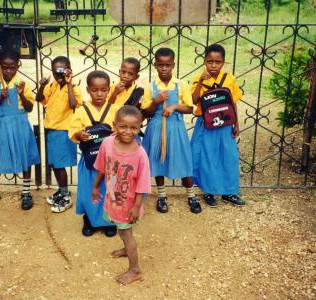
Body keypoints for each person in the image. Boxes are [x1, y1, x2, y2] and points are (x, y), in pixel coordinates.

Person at [92, 105, 151, 285]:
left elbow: (142, 185)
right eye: (123, 126)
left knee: (127, 233)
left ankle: (135, 270)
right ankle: (126, 250)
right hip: (113, 199)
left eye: (134, 128)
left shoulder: (140, 155)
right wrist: (95, 187)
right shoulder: (107, 143)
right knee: (120, 228)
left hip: (129, 204)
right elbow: (102, 167)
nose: (128, 131)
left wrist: (136, 206)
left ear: (139, 127)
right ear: (114, 126)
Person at [141, 47, 202, 214]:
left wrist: (174, 106)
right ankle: (162, 195)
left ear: (173, 65)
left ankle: (191, 195)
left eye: (167, 65)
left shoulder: (181, 85)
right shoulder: (151, 86)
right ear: (155, 65)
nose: (164, 69)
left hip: (175, 129)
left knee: (182, 159)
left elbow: (190, 108)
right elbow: (146, 113)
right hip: (156, 128)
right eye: (160, 65)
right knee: (158, 161)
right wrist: (156, 101)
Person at [0, 49, 40, 210]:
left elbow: (29, 108)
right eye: (4, 67)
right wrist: (1, 96)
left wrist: (21, 94)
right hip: (1, 125)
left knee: (25, 157)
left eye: (12, 67)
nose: (8, 71)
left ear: (18, 66)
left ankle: (26, 192)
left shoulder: (22, 83)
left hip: (19, 125)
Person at [190, 43, 245, 207]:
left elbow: (232, 102)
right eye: (209, 61)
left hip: (225, 125)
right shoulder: (198, 78)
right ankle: (208, 191)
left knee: (229, 157)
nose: (213, 65)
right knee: (207, 157)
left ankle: (229, 192)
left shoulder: (229, 79)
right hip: (206, 126)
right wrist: (200, 81)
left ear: (223, 62)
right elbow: (193, 100)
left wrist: (236, 124)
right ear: (204, 61)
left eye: (218, 62)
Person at [68, 70, 118, 237]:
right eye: (95, 90)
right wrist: (79, 135)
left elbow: (123, 128)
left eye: (103, 90)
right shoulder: (82, 111)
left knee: (110, 189)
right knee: (89, 189)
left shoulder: (114, 109)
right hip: (90, 161)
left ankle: (109, 220)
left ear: (108, 90)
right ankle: (89, 218)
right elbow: (73, 131)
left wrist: (117, 133)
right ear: (88, 90)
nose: (99, 94)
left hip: (111, 160)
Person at [36, 56, 83, 213]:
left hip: (64, 131)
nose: (59, 76)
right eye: (56, 73)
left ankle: (66, 196)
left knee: (60, 166)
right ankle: (62, 190)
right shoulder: (52, 85)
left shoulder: (74, 88)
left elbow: (73, 105)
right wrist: (41, 86)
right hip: (52, 130)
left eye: (62, 72)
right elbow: (40, 99)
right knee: (55, 164)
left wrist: (69, 84)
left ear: (69, 70)